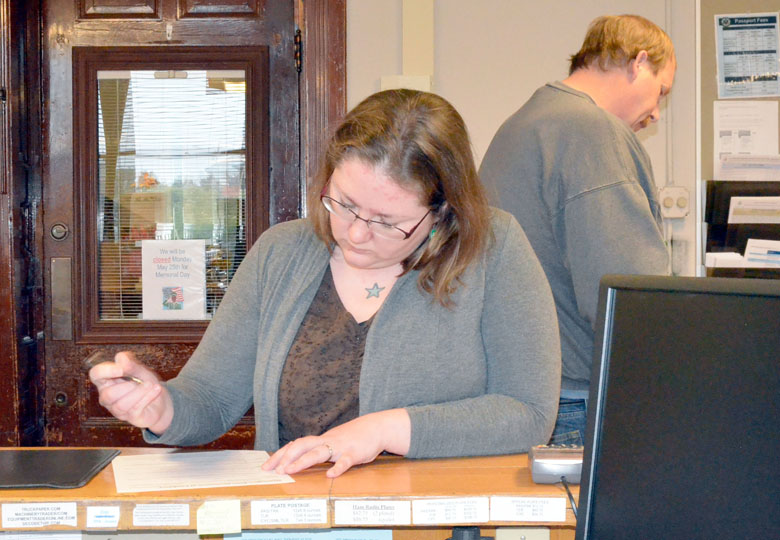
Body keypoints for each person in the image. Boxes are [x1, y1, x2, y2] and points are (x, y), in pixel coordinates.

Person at [89, 89, 561, 478]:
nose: (356, 233)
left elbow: (528, 413)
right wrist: (160, 407)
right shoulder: (281, 253)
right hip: (293, 517)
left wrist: (380, 431)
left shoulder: (494, 249)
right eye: (346, 203)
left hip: (429, 522)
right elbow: (211, 398)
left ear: (443, 212)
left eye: (387, 221)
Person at [479, 14, 674, 445]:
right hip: (578, 399)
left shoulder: (524, 122)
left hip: (526, 385)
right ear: (638, 62)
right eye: (661, 91)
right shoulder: (592, 132)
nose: (656, 113)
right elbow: (630, 292)